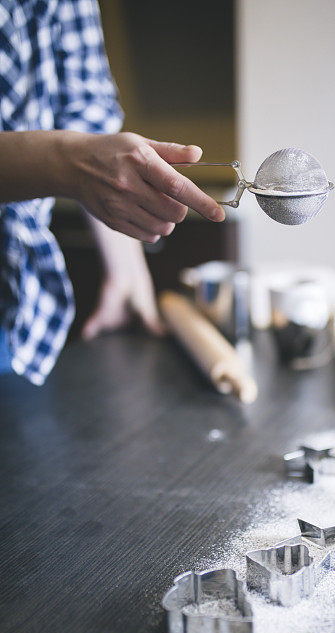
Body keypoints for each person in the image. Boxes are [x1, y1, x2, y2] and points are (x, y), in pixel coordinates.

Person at [0, 0, 225, 384]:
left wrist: (125, 274)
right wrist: (69, 164)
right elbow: (84, 155)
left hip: (21, 313)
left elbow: (89, 115)